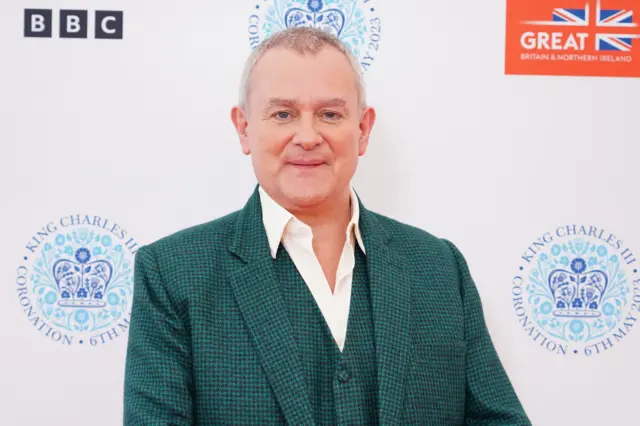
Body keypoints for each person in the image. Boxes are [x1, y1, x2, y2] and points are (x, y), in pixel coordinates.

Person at [123, 27, 531, 425]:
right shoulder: (172, 274)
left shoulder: (439, 267)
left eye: (330, 114)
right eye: (283, 114)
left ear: (363, 129)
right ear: (244, 127)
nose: (307, 136)